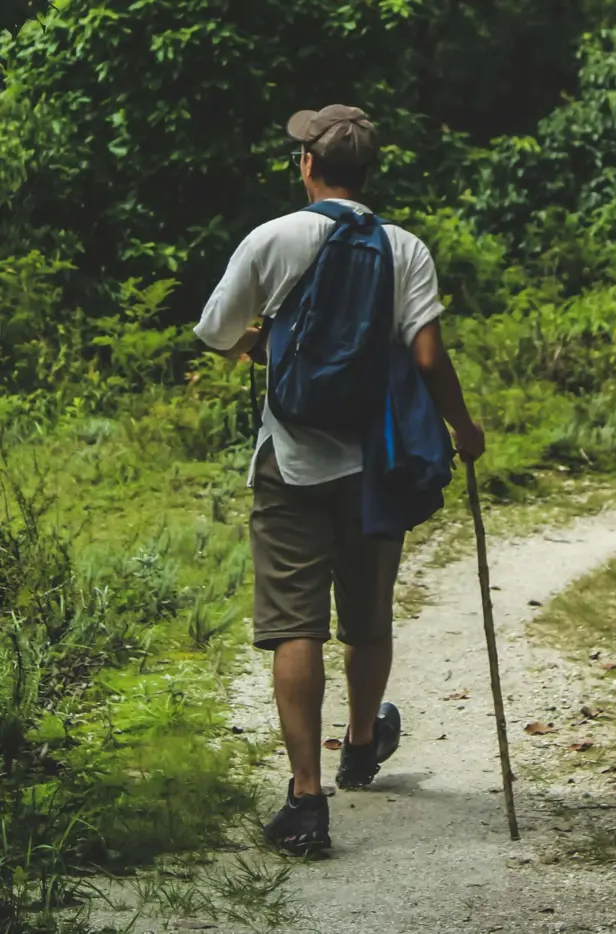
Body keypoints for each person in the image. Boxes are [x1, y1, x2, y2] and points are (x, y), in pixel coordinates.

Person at [193, 104, 485, 854]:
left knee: (296, 625)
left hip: (289, 461)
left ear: (308, 165)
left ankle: (306, 797)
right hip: (375, 464)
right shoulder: (404, 247)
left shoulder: (273, 238)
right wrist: (462, 426)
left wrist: (261, 346)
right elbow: (427, 356)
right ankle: (360, 743)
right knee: (368, 613)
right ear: (368, 171)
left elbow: (215, 333)